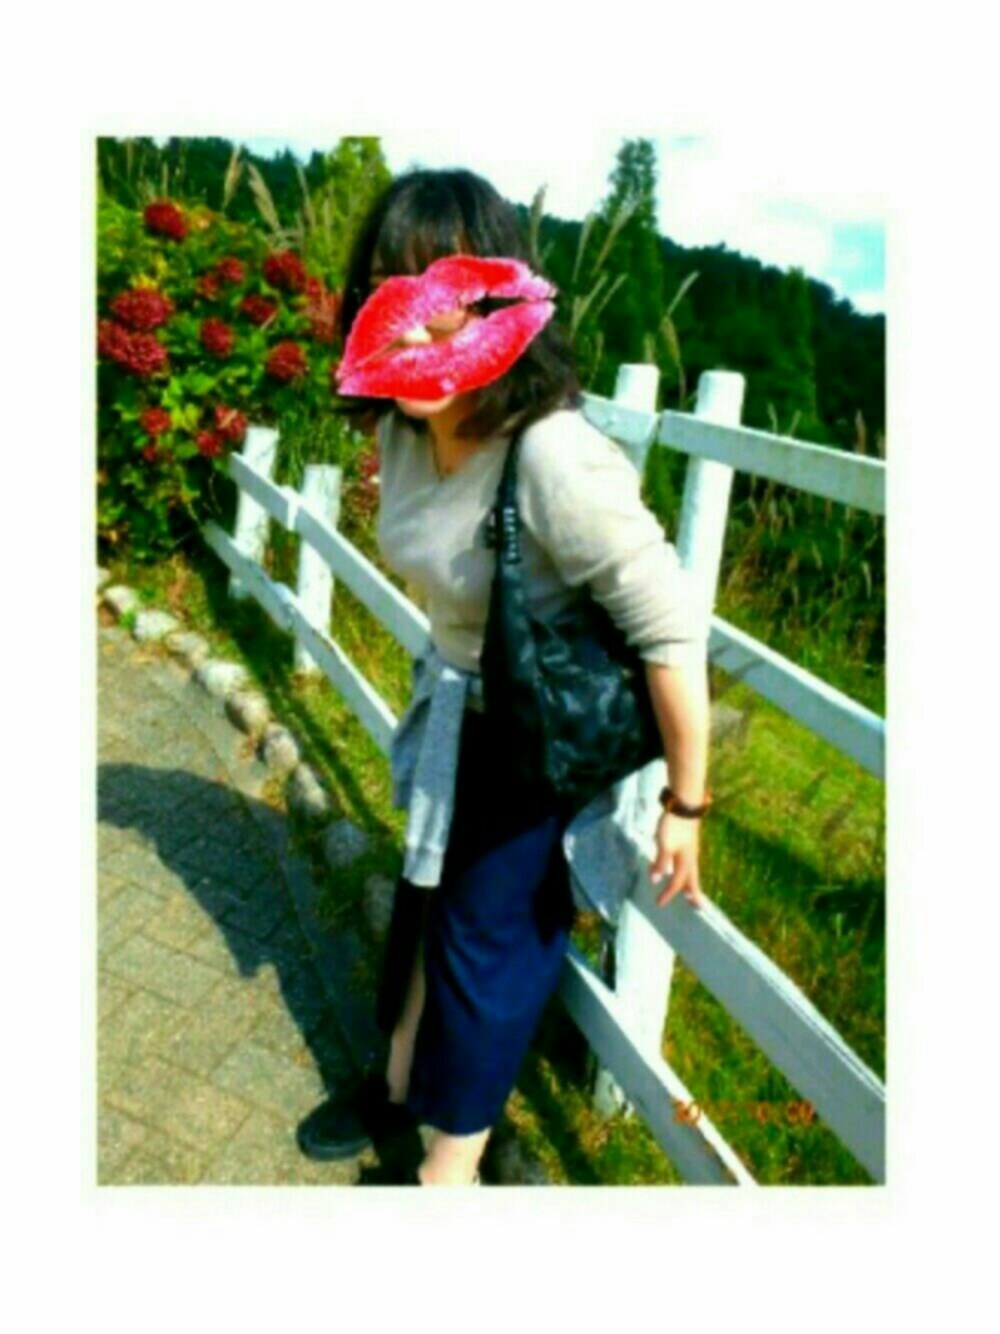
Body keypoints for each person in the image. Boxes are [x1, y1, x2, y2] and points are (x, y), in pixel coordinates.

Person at [296, 167, 712, 1186]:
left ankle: (447, 1169)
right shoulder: (404, 427)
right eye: (392, 298)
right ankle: (397, 1082)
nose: (415, 330)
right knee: (423, 904)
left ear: (497, 302)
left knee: (487, 946)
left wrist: (686, 803)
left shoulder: (554, 456)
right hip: (456, 706)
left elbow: (669, 629)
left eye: (446, 299)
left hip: (541, 734)